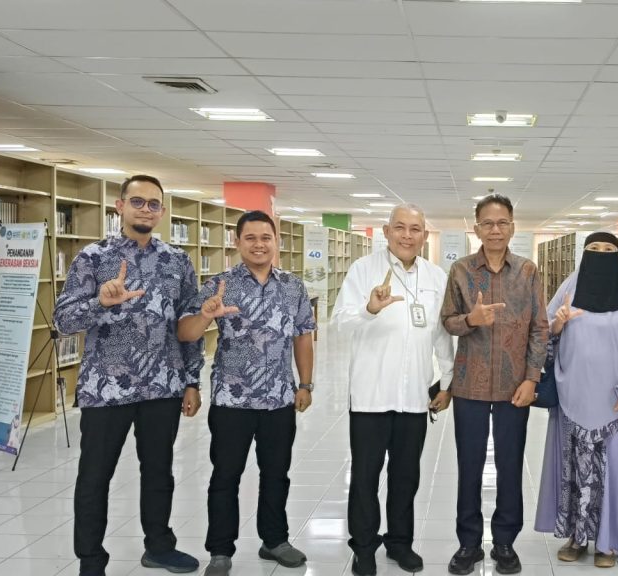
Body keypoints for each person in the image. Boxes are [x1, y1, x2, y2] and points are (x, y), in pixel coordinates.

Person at [54, 174, 203, 576]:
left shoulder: (177, 261)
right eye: (137, 201)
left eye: (153, 204)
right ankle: (91, 560)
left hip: (162, 387)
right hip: (105, 389)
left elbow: (188, 324)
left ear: (162, 212)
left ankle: (159, 547)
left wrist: (192, 380)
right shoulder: (93, 257)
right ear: (119, 206)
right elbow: (63, 320)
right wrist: (100, 303)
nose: (145, 210)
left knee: (159, 473)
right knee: (94, 477)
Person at [177, 210, 315, 576]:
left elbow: (303, 335)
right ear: (237, 242)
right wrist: (206, 315)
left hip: (279, 399)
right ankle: (220, 550)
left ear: (276, 241)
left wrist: (305, 384)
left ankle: (275, 541)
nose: (259, 244)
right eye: (250, 238)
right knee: (226, 475)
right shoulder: (219, 285)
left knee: (277, 473)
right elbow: (186, 334)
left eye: (265, 237)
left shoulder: (293, 287)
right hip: (232, 400)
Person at [332, 205, 456, 576]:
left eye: (415, 229)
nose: (407, 235)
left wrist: (447, 382)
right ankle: (364, 547)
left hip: (415, 396)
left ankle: (400, 542)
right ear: (386, 232)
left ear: (424, 235)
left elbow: (441, 334)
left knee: (406, 477)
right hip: (371, 395)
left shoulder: (435, 276)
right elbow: (340, 323)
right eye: (399, 227)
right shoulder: (363, 269)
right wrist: (369, 309)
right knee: (365, 478)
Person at [535, 232, 618, 569]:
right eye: (594, 249)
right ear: (584, 253)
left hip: (615, 401)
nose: (601, 254)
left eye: (609, 249)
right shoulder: (569, 287)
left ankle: (608, 542)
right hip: (572, 396)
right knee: (574, 469)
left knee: (613, 470)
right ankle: (576, 537)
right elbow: (543, 333)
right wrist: (558, 325)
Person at [440, 194, 549, 575]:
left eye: (502, 223)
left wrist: (532, 378)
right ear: (477, 228)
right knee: (468, 466)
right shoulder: (460, 270)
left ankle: (504, 542)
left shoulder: (528, 271)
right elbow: (447, 321)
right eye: (487, 223)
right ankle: (468, 544)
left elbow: (540, 328)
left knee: (510, 465)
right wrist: (471, 320)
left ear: (513, 227)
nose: (495, 230)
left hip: (514, 386)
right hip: (469, 385)